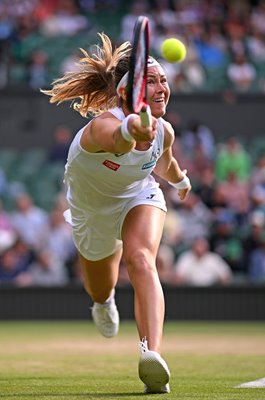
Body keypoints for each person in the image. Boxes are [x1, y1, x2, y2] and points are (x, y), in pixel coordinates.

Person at [42, 32, 191, 394]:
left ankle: (151, 356)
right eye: (151, 81)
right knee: (100, 285)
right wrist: (131, 128)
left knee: (141, 259)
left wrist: (182, 181)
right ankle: (103, 301)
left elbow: (165, 163)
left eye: (164, 81)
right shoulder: (101, 127)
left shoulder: (164, 132)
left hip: (138, 196)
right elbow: (118, 140)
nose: (161, 88)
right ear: (126, 94)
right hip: (92, 211)